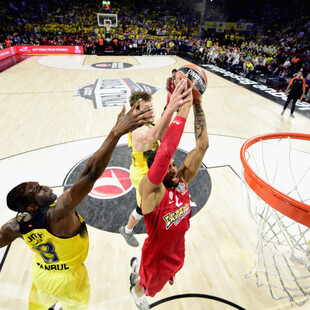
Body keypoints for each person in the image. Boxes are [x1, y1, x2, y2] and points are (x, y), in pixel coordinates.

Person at [0, 102, 154, 310]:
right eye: (38, 190)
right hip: (70, 278)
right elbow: (90, 173)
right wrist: (115, 133)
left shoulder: (14, 226)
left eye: (39, 184)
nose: (45, 186)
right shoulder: (58, 212)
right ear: (32, 207)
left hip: (42, 273)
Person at [129, 78, 209, 310]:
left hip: (176, 253)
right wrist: (182, 104)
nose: (175, 169)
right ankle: (135, 288)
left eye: (175, 165)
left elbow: (202, 147)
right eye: (170, 167)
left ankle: (137, 268)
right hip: (155, 262)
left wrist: (197, 102)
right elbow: (164, 153)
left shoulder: (180, 181)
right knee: (146, 289)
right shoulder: (152, 192)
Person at [119, 85, 191, 247]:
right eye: (147, 109)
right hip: (143, 175)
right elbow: (155, 135)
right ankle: (127, 230)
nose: (151, 111)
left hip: (154, 173)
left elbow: (163, 128)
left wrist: (170, 103)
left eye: (152, 107)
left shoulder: (150, 124)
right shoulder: (138, 131)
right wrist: (172, 109)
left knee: (157, 203)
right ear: (136, 111)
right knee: (142, 208)